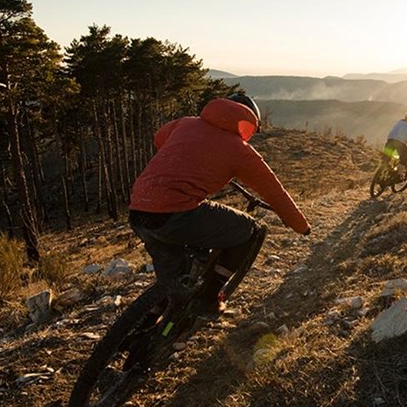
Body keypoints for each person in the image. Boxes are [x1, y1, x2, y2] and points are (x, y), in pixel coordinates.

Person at [128, 94, 310, 302]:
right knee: (250, 231)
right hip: (176, 214)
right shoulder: (239, 150)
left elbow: (159, 137)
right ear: (248, 123)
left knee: (173, 282)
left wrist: (191, 157)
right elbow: (275, 193)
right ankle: (210, 296)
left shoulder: (185, 123)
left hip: (138, 210)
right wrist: (301, 226)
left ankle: (152, 321)